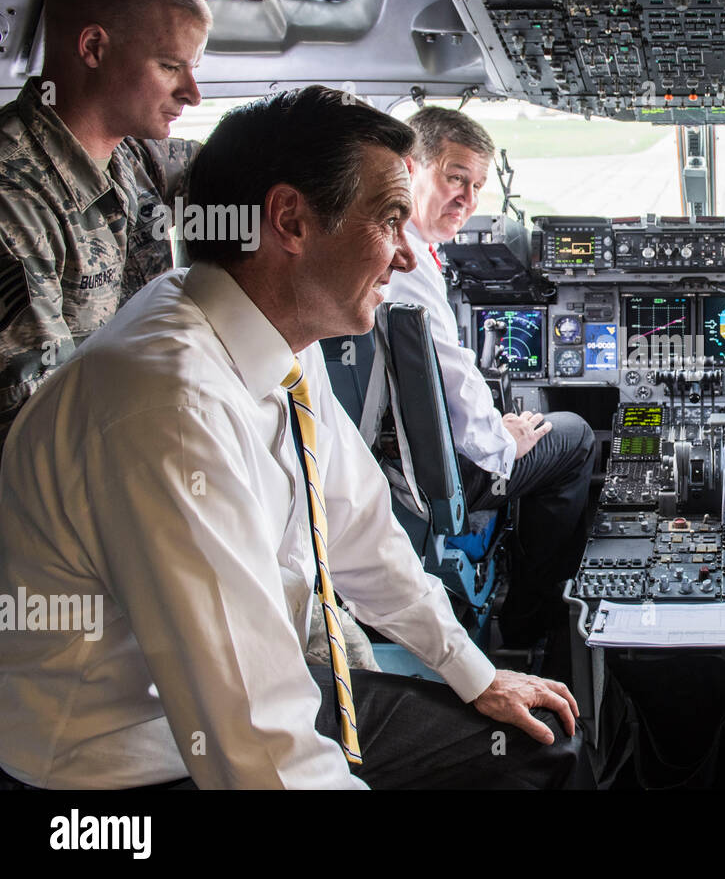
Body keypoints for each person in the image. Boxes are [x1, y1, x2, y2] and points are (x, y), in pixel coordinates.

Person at [0, 86, 586, 789]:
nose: (407, 257)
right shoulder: (171, 410)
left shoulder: (274, 331)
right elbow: (253, 740)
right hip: (126, 761)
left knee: (539, 746)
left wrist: (475, 672)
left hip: (243, 694)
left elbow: (359, 528)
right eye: (390, 219)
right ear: (290, 221)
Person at [384, 106, 596, 647]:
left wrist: (497, 428)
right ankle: (529, 612)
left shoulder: (394, 249)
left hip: (393, 456)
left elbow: (443, 379)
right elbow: (452, 377)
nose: (468, 199)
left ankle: (528, 612)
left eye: (477, 186)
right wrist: (508, 437)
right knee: (572, 435)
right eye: (454, 178)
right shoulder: (406, 265)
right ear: (410, 168)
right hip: (436, 475)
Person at [0, 0, 209, 445]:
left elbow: (242, 176)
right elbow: (36, 426)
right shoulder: (14, 197)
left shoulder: (131, 156)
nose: (192, 93)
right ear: (94, 48)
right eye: (169, 66)